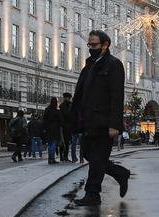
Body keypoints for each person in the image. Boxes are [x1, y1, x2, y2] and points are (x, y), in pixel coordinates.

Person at [72, 30, 130, 206]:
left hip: (104, 122)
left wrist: (115, 124)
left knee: (97, 159)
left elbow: (116, 97)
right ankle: (119, 173)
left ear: (105, 45)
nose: (90, 48)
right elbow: (81, 95)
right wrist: (74, 119)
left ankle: (92, 194)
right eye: (89, 44)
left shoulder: (114, 65)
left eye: (94, 45)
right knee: (89, 154)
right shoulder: (89, 66)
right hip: (89, 121)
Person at [43, 98, 63, 164]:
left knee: (49, 144)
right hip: (55, 129)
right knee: (53, 144)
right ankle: (52, 158)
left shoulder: (47, 110)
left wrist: (45, 128)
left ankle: (49, 158)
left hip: (48, 129)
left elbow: (44, 119)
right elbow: (61, 120)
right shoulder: (57, 111)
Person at [59, 93, 75, 162]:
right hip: (64, 126)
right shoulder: (62, 106)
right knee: (63, 142)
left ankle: (65, 156)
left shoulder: (69, 105)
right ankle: (62, 157)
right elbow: (66, 114)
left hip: (69, 126)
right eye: (69, 98)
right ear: (65, 98)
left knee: (67, 142)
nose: (69, 99)